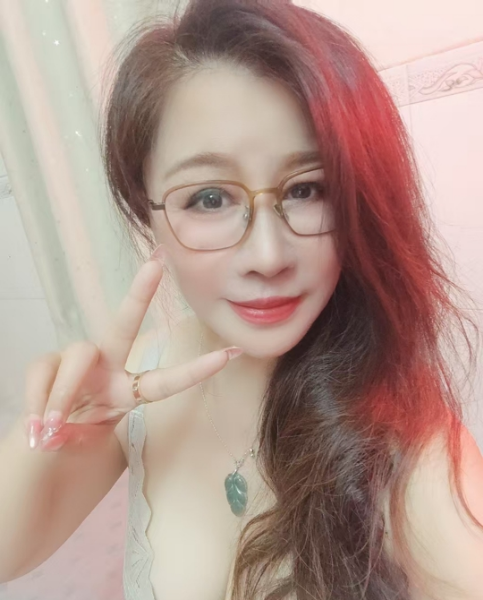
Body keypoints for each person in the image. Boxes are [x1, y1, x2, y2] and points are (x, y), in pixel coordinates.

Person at [1, 0, 483, 598]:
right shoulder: (143, 377)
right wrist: (53, 431)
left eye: (308, 188)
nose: (268, 255)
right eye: (209, 198)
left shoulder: (408, 445)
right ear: (146, 209)